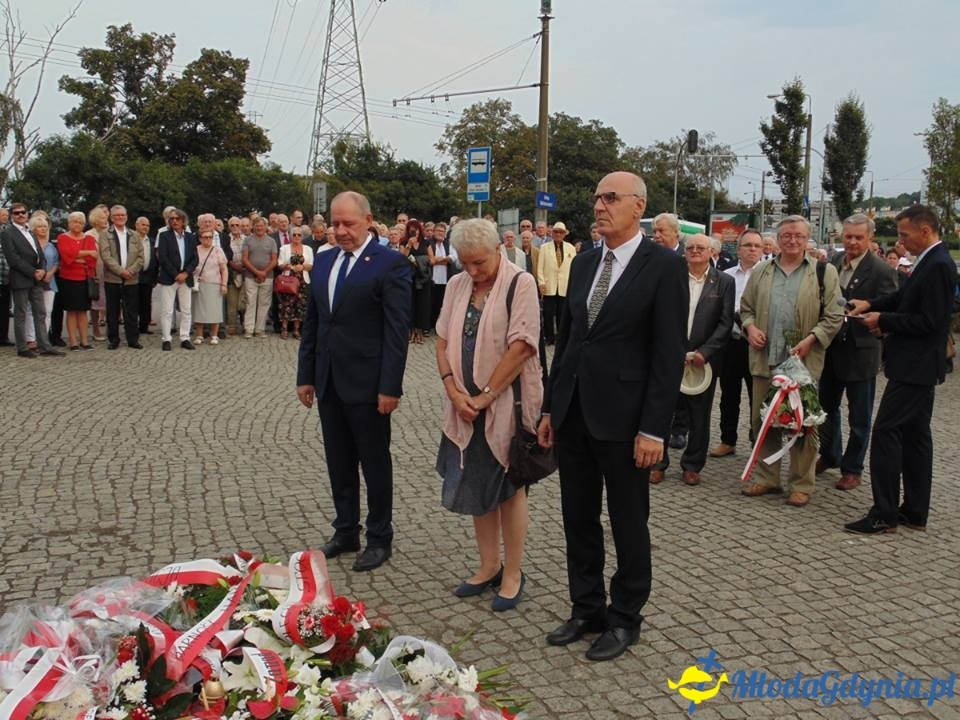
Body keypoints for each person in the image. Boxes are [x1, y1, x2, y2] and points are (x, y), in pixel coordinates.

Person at [537, 171, 686, 662]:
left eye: (610, 198)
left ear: (638, 206)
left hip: (626, 422)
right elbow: (570, 344)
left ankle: (625, 618)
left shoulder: (663, 266)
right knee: (577, 517)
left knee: (628, 521)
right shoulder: (584, 263)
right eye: (597, 198)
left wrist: (653, 429)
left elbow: (668, 356)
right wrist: (550, 407)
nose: (599, 206)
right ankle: (587, 608)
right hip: (576, 413)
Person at [296, 190, 412, 572]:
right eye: (336, 223)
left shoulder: (390, 264)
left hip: (369, 384)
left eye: (349, 223)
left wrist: (390, 387)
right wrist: (306, 375)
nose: (341, 230)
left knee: (374, 462)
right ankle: (346, 529)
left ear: (369, 220)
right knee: (338, 461)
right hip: (329, 381)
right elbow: (314, 323)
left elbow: (396, 332)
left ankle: (380, 537)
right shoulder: (324, 261)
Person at [435, 218, 542, 611]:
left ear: (498, 250)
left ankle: (512, 572)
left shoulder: (520, 283)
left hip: (504, 406)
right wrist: (453, 389)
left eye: (479, 262)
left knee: (510, 490)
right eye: (466, 262)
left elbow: (522, 347)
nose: (473, 271)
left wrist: (483, 397)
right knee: (477, 484)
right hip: (462, 403)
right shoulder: (457, 284)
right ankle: (487, 566)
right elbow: (442, 338)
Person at [844, 205, 957, 534]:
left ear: (925, 230)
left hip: (915, 366)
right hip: (916, 365)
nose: (901, 241)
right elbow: (903, 298)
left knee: (885, 433)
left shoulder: (938, 265)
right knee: (916, 436)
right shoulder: (930, 261)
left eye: (905, 235)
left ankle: (884, 512)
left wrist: (883, 321)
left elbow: (930, 322)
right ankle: (914, 511)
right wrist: (872, 304)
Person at [739, 215, 844, 507]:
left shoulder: (824, 272)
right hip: (765, 358)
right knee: (764, 419)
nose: (792, 240)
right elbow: (745, 309)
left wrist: (812, 339)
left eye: (798, 235)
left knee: (803, 423)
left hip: (802, 362)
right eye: (786, 235)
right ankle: (766, 478)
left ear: (808, 238)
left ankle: (801, 483)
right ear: (779, 238)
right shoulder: (761, 270)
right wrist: (750, 328)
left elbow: (835, 316)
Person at [816, 214, 898, 490]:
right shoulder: (833, 262)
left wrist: (870, 310)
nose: (852, 242)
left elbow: (891, 310)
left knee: (859, 415)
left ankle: (853, 468)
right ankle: (830, 454)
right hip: (831, 348)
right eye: (848, 236)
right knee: (825, 409)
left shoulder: (882, 270)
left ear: (869, 238)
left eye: (858, 237)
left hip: (861, 351)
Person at [649, 234, 734, 486]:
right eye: (691, 247)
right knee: (662, 411)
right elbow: (658, 314)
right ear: (684, 251)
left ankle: (692, 465)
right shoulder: (671, 276)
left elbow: (725, 322)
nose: (695, 251)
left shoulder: (723, 282)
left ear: (712, 252)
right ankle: (657, 462)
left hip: (704, 360)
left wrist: (705, 352)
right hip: (670, 355)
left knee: (699, 415)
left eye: (701, 248)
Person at [711, 229, 764, 458]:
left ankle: (758, 441)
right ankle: (727, 439)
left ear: (762, 250)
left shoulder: (766, 274)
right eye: (748, 245)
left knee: (757, 395)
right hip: (730, 343)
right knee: (728, 394)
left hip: (756, 344)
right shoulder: (726, 274)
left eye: (756, 246)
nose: (752, 249)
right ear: (738, 249)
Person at [0, 203, 64, 357]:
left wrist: (42, 269)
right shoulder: (7, 233)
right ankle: (22, 347)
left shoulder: (31, 231)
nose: (21, 215)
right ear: (11, 216)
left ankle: (44, 345)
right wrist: (33, 271)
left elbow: (39, 253)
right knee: (21, 313)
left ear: (27, 214)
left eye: (23, 212)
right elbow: (13, 258)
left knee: (40, 312)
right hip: (21, 278)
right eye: (16, 213)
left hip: (37, 279)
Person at [100, 205, 144, 349]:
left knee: (131, 310)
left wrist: (130, 271)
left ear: (126, 216)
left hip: (132, 279)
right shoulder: (105, 234)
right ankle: (113, 339)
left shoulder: (134, 235)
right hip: (112, 278)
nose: (120, 217)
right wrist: (120, 271)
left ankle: (133, 339)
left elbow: (141, 257)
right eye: (117, 215)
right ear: (111, 218)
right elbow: (106, 256)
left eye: (123, 215)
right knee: (112, 311)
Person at [156, 208, 198, 351]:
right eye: (171, 219)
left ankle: (185, 337)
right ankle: (166, 339)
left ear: (183, 220)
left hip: (185, 278)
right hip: (169, 278)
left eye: (177, 218)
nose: (174, 221)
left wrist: (186, 273)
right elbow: (163, 258)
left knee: (186, 310)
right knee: (167, 310)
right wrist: (176, 274)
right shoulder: (164, 236)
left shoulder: (190, 237)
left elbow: (195, 258)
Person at [56, 211, 98, 350]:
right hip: (68, 279)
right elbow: (66, 257)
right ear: (69, 223)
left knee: (83, 311)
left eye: (80, 222)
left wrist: (77, 257)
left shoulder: (90, 239)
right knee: (71, 310)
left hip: (85, 278)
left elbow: (93, 259)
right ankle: (73, 341)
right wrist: (85, 254)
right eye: (75, 221)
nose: (77, 224)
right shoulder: (62, 238)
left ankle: (85, 341)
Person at [537, 221, 576, 345]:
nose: (558, 234)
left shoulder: (571, 248)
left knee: (562, 314)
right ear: (552, 233)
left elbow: (573, 268)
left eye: (561, 232)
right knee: (548, 315)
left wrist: (572, 285)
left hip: (564, 286)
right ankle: (549, 338)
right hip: (549, 286)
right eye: (556, 232)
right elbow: (540, 267)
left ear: (564, 234)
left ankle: (561, 338)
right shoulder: (544, 248)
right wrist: (541, 283)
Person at [25, 213, 58, 348]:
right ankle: (31, 338)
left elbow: (57, 261)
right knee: (31, 310)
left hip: (49, 281)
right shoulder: (29, 244)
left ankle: (43, 338)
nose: (43, 229)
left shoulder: (51, 246)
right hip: (33, 280)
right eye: (39, 227)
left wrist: (50, 273)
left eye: (45, 226)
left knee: (47, 311)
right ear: (33, 228)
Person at [241, 216, 278, 338]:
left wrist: (264, 272)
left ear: (266, 226)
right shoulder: (247, 240)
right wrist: (257, 272)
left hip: (267, 276)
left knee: (264, 303)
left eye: (262, 225)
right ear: (253, 227)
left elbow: (274, 260)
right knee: (250, 302)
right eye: (257, 225)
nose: (259, 228)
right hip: (250, 276)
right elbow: (245, 259)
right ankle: (249, 329)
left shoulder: (271, 241)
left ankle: (260, 329)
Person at [192, 228, 228, 344]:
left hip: (215, 283)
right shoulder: (195, 250)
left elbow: (224, 269)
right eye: (205, 237)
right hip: (199, 283)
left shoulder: (218, 251)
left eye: (210, 237)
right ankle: (199, 335)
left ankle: (214, 335)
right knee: (199, 309)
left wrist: (224, 284)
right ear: (200, 239)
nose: (208, 239)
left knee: (215, 309)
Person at [277, 227, 314, 339]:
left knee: (300, 305)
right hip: (288, 280)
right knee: (286, 304)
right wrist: (289, 266)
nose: (296, 237)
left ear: (302, 237)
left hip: (302, 280)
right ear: (290, 236)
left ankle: (296, 330)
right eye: (294, 235)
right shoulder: (284, 248)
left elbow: (311, 265)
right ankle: (284, 329)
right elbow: (280, 264)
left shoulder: (308, 249)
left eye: (299, 235)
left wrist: (302, 266)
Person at [403, 219, 431, 344]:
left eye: (416, 229)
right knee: (410, 304)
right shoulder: (404, 242)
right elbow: (401, 258)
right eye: (412, 230)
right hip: (409, 277)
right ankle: (410, 331)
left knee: (422, 305)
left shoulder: (426, 243)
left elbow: (432, 259)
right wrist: (409, 245)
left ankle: (419, 331)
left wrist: (419, 262)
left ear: (420, 230)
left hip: (422, 277)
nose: (414, 232)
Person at [427, 221, 458, 329]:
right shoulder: (428, 243)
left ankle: (440, 326)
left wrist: (438, 259)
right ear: (434, 232)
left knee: (443, 304)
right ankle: (429, 325)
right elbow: (429, 260)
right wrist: (444, 259)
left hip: (445, 278)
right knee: (431, 303)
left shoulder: (449, 244)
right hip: (432, 278)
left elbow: (453, 257)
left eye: (443, 231)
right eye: (438, 231)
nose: (440, 233)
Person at [86, 206, 109, 342]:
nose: (105, 219)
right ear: (95, 220)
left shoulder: (110, 233)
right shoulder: (89, 235)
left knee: (111, 302)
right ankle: (95, 328)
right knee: (96, 302)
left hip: (111, 272)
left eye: (106, 217)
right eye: (102, 217)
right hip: (96, 273)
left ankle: (111, 328)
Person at [136, 217, 158, 336]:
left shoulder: (152, 241)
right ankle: (133, 327)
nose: (145, 227)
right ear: (137, 225)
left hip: (148, 275)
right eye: (143, 225)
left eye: (147, 225)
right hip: (133, 276)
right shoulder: (131, 239)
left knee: (146, 303)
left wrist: (155, 277)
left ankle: (144, 326)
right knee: (133, 303)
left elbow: (155, 260)